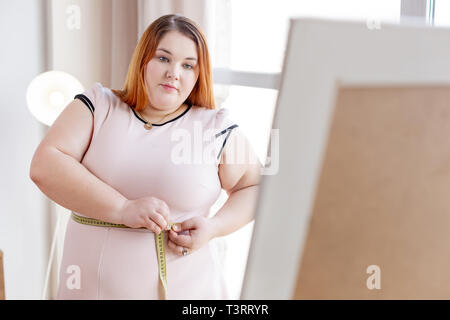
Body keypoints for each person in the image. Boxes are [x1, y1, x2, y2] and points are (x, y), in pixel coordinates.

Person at [29, 14, 261, 299]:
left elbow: (255, 186)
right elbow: (45, 165)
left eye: (188, 65)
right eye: (163, 58)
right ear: (143, 60)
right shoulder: (98, 106)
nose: (174, 72)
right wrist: (123, 209)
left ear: (199, 75)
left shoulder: (216, 128)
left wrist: (213, 228)